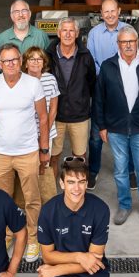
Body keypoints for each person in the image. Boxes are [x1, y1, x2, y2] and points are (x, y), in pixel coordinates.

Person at [0, 44, 50, 263]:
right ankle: (8, 234)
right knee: (3, 200)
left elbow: (43, 117)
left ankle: (33, 239)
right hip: (1, 153)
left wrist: (44, 149)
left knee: (32, 199)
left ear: (21, 61)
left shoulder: (33, 84)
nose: (10, 64)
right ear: (0, 64)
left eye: (14, 60)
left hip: (28, 151)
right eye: (6, 61)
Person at [93, 26, 139, 226]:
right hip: (115, 129)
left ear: (137, 43)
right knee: (120, 170)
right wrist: (102, 125)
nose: (128, 45)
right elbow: (99, 99)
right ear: (118, 44)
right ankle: (124, 205)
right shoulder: (108, 67)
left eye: (131, 41)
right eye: (123, 42)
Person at [85, 0, 133, 190]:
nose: (110, 15)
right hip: (101, 89)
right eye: (106, 11)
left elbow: (133, 55)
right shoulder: (94, 34)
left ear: (119, 11)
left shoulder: (128, 31)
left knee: (126, 132)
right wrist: (106, 76)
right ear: (101, 13)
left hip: (126, 90)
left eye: (113, 11)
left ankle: (130, 171)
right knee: (96, 134)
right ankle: (93, 171)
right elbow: (91, 60)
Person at [45, 18, 96, 187]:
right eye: (64, 31)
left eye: (71, 31)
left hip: (79, 115)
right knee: (54, 155)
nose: (67, 34)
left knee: (80, 156)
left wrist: (80, 99)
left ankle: (78, 186)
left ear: (77, 33)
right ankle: (52, 188)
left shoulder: (85, 56)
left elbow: (91, 82)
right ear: (58, 33)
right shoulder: (49, 55)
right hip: (56, 115)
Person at [24, 45, 61, 203]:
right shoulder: (20, 80)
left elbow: (53, 109)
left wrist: (43, 130)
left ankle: (45, 200)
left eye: (39, 59)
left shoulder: (50, 79)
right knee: (27, 167)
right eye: (32, 59)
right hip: (26, 134)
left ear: (43, 62)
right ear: (25, 63)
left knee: (43, 166)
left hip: (47, 132)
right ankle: (30, 199)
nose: (35, 62)